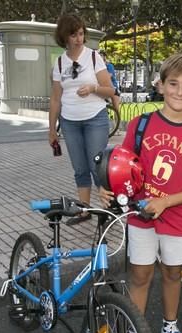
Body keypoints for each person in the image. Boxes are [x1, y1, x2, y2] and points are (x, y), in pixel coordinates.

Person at [99, 53, 182, 333]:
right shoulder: (141, 125)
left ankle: (170, 327)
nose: (180, 91)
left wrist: (165, 201)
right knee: (139, 276)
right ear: (161, 86)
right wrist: (106, 188)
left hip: (177, 218)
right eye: (173, 83)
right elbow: (120, 167)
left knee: (172, 273)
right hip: (141, 216)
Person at [49, 13, 116, 225]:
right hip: (70, 122)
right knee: (80, 168)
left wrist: (94, 88)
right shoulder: (59, 63)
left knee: (97, 166)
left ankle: (107, 208)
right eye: (73, 34)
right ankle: (85, 210)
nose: (78, 38)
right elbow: (55, 100)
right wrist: (52, 129)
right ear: (64, 37)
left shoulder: (94, 57)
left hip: (95, 118)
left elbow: (110, 90)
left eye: (81, 33)